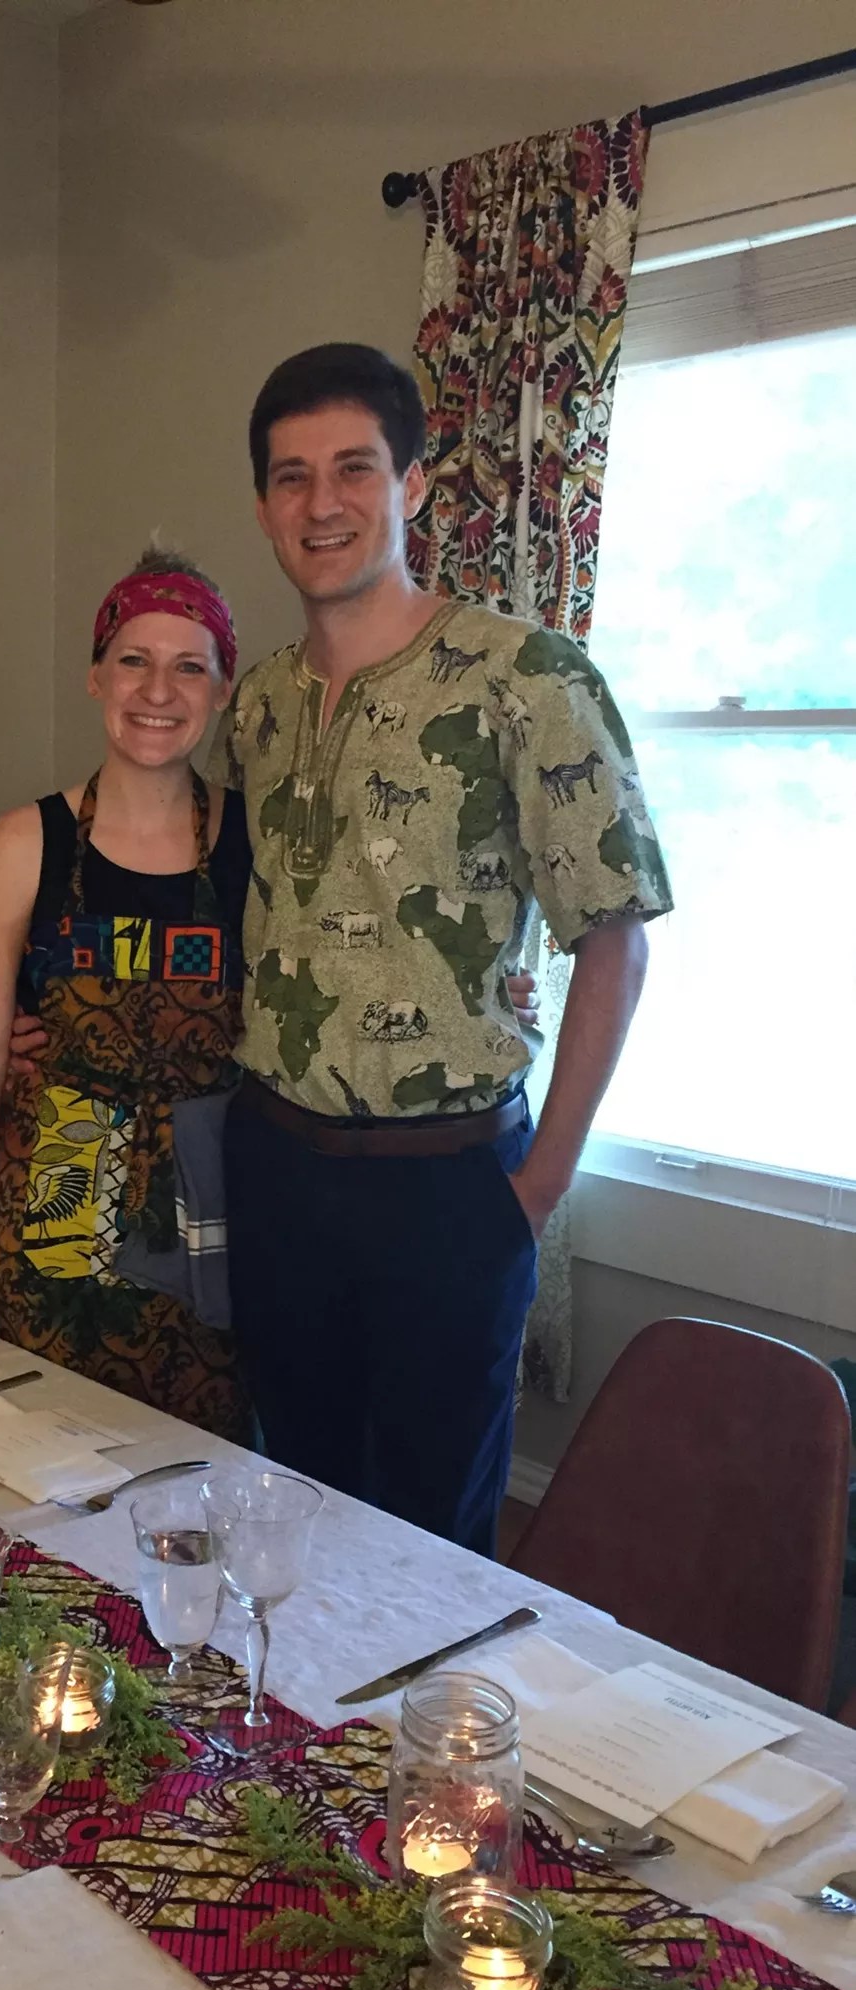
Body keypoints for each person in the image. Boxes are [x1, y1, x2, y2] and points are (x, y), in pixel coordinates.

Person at [207, 342, 673, 1553]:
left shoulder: (530, 679)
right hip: (277, 1165)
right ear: (263, 506)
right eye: (293, 477)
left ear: (413, 483)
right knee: (291, 1509)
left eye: (354, 468)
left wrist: (535, 1191)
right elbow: (208, 895)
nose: (323, 504)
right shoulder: (254, 705)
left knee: (431, 1549)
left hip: (449, 1180)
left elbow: (613, 939)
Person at [0, 549, 256, 1443]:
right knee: (45, 1447)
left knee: (195, 1464)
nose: (158, 691)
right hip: (60, 1178)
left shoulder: (257, 845)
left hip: (211, 1198)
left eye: (190, 667)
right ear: (96, 675)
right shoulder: (25, 842)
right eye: (134, 659)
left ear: (222, 689)